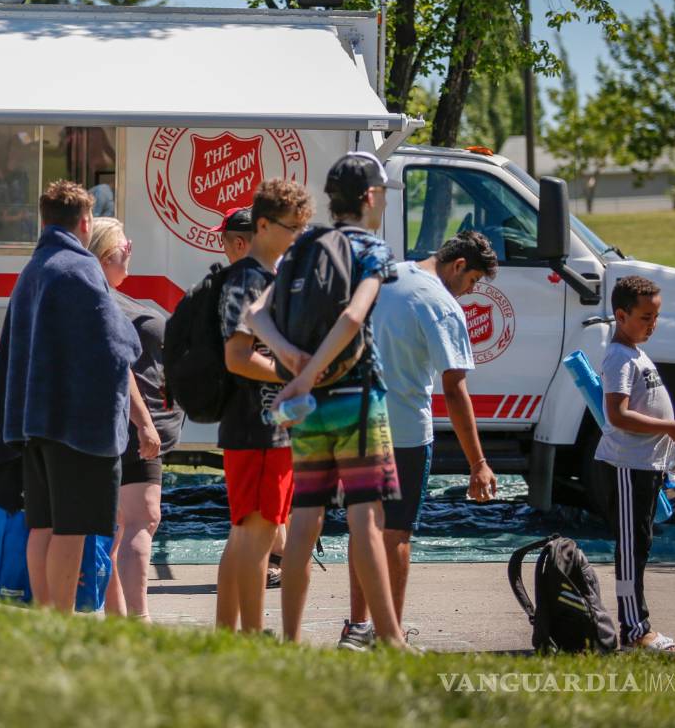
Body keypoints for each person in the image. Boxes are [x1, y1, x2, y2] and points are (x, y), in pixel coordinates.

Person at [246, 152, 407, 649]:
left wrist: (294, 362)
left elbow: (255, 315)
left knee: (305, 517)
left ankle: (291, 639)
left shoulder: (303, 246)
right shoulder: (371, 250)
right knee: (365, 513)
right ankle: (390, 638)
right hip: (358, 396)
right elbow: (355, 317)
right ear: (370, 198)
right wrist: (309, 371)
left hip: (309, 406)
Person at [0, 180, 144, 613]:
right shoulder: (79, 267)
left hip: (35, 425)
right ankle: (61, 623)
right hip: (75, 426)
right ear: (85, 222)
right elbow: (117, 342)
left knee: (42, 525)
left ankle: (45, 618)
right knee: (73, 528)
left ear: (43, 220)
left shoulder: (34, 268)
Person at [337, 232, 500, 650]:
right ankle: (391, 636)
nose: (471, 292)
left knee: (363, 529)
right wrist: (478, 462)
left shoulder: (388, 274)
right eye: (474, 282)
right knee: (395, 535)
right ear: (459, 266)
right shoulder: (442, 305)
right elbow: (454, 389)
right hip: (405, 431)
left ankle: (357, 629)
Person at [214, 179, 311, 633]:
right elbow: (236, 357)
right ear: (264, 226)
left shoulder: (265, 277)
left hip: (268, 426)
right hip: (256, 426)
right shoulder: (249, 279)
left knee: (246, 534)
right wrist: (291, 374)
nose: (297, 237)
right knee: (256, 535)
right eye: (291, 228)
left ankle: (227, 636)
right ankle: (250, 638)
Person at [595, 275, 675, 655]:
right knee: (630, 549)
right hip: (625, 468)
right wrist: (669, 426)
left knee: (640, 544)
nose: (652, 324)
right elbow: (618, 415)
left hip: (645, 468)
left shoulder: (636, 351)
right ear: (621, 315)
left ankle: (636, 625)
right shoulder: (619, 357)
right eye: (644, 317)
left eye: (656, 316)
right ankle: (635, 629)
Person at [87, 217, 181, 620]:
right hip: (130, 426)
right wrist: (145, 422)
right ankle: (137, 621)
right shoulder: (104, 301)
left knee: (119, 526)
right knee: (143, 520)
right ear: (109, 254)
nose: (131, 252)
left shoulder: (96, 297)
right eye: (126, 246)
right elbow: (121, 364)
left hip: (114, 424)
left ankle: (119, 620)